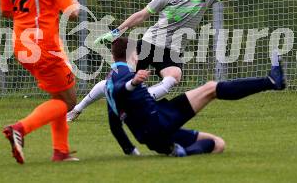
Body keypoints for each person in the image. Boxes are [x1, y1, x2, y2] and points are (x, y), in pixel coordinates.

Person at [67, 0, 295, 121]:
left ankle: (139, 104)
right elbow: (143, 15)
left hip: (172, 50)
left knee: (173, 77)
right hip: (150, 43)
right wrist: (117, 31)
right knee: (116, 80)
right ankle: (77, 109)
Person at [105, 37, 285, 156]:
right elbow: (123, 88)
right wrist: (133, 83)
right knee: (211, 88)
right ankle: (271, 81)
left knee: (217, 144)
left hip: (153, 135)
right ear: (131, 54)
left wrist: (130, 150)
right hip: (159, 122)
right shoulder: (123, 74)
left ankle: (177, 151)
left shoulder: (110, 80)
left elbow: (115, 123)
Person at [0, 0, 80, 164]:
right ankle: (20, 129)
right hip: (44, 46)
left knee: (58, 97)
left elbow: (6, 11)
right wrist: (73, 3)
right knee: (68, 101)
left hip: (22, 46)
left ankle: (60, 152)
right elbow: (72, 12)